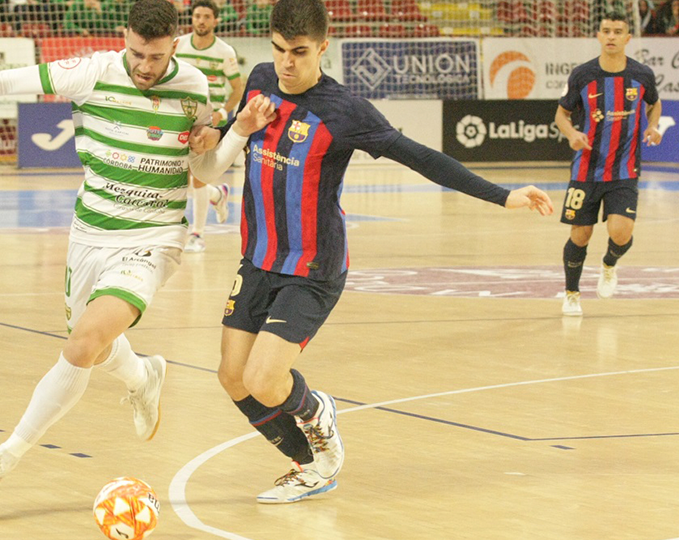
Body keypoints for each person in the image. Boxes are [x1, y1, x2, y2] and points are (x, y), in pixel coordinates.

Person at [0, 0, 266, 499]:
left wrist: (233, 137)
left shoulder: (193, 87)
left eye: (157, 57)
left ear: (174, 46)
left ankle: (1, 458)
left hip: (153, 238)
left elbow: (202, 175)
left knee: (82, 343)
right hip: (89, 233)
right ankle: (143, 375)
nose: (146, 67)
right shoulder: (91, 71)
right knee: (92, 348)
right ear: (126, 37)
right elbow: (5, 81)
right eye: (139, 54)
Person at [189, 0, 554, 504]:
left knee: (264, 377)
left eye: (299, 52)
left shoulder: (346, 112)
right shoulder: (258, 79)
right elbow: (236, 130)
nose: (286, 64)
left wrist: (503, 195)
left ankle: (317, 415)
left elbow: (421, 157)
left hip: (311, 269)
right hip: (257, 259)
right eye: (278, 50)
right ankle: (310, 464)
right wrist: (222, 128)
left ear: (323, 47)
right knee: (232, 377)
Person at [555, 11, 662, 317]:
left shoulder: (642, 75)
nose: (612, 36)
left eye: (618, 31)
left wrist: (653, 126)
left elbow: (654, 103)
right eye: (606, 31)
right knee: (580, 235)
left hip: (625, 171)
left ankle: (609, 264)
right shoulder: (582, 75)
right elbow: (561, 115)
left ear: (628, 38)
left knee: (621, 233)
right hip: (586, 171)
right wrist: (573, 133)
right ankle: (572, 294)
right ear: (598, 36)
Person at [176, 0, 243, 252]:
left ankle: (197, 234)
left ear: (215, 21)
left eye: (206, 16)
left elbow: (237, 89)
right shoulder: (178, 45)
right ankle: (217, 195)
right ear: (191, 19)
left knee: (197, 178)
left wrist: (223, 112)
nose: (201, 21)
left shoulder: (225, 51)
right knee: (183, 175)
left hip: (207, 123)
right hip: (180, 117)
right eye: (197, 16)